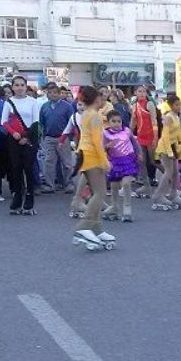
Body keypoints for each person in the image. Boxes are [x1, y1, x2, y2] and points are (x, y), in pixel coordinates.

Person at [71, 86, 116, 249]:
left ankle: (96, 229)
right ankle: (83, 227)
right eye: (101, 97)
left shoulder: (85, 114)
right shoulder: (95, 116)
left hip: (84, 154)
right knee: (100, 193)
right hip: (93, 156)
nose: (102, 99)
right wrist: (105, 161)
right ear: (96, 99)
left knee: (97, 192)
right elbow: (98, 142)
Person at [1, 76, 41, 215]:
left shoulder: (33, 102)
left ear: (26, 86)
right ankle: (17, 200)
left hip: (29, 139)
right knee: (16, 169)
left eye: (22, 85)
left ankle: (29, 202)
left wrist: (25, 137)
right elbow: (4, 122)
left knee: (28, 169)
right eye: (16, 85)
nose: (19, 87)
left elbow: (36, 122)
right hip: (14, 141)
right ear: (12, 87)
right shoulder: (8, 103)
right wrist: (13, 133)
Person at [102, 110, 142, 222]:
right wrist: (107, 147)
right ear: (108, 122)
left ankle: (127, 208)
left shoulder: (126, 131)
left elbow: (134, 143)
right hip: (114, 161)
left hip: (128, 159)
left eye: (118, 121)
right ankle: (114, 207)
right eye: (113, 121)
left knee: (126, 183)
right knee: (114, 185)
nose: (116, 123)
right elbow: (102, 148)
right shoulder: (106, 133)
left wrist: (138, 154)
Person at [151, 96, 181, 211]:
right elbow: (165, 135)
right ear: (171, 106)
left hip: (173, 146)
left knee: (175, 172)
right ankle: (158, 195)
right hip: (165, 147)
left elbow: (178, 133)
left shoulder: (177, 116)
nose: (178, 106)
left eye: (179, 104)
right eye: (176, 105)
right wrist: (169, 151)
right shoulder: (168, 117)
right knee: (168, 172)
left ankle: (173, 193)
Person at [39, 84, 74, 194]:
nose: (53, 95)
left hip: (63, 138)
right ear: (47, 94)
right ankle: (50, 185)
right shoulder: (44, 106)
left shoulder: (67, 106)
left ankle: (68, 184)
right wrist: (43, 136)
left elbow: (72, 122)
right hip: (49, 138)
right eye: (50, 93)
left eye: (55, 92)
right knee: (49, 162)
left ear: (60, 94)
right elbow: (42, 122)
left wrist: (70, 137)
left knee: (67, 162)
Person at [129, 84, 159, 198]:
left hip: (150, 135)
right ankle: (146, 185)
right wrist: (128, 134)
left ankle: (170, 180)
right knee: (141, 161)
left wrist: (155, 137)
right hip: (141, 136)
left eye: (144, 92)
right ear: (135, 93)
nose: (142, 94)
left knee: (153, 161)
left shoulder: (149, 104)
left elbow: (154, 121)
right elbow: (133, 121)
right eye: (139, 91)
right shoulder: (135, 105)